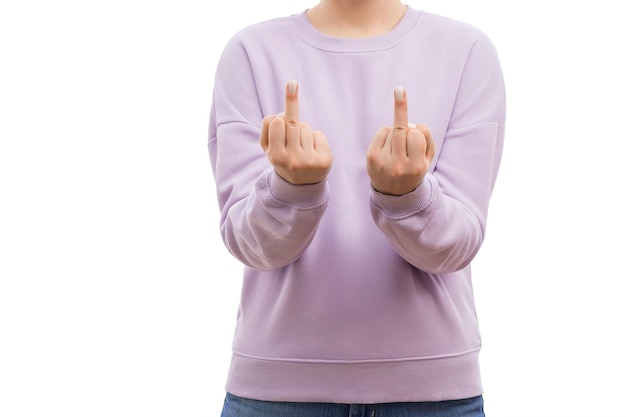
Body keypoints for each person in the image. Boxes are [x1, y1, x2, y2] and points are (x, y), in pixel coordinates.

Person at [208, 0, 506, 415]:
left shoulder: (467, 50)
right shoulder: (250, 53)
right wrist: (293, 189)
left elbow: (457, 246)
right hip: (274, 396)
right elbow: (248, 242)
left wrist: (405, 197)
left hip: (432, 397)